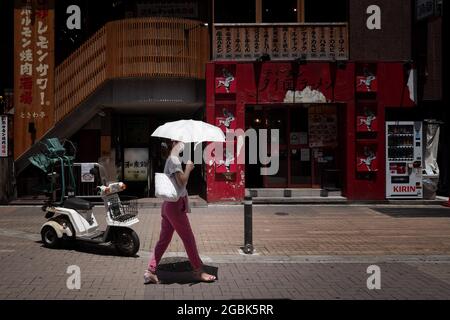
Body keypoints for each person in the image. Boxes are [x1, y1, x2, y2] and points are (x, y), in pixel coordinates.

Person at [144, 140, 216, 284]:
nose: (183, 144)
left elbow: (178, 183)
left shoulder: (171, 159)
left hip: (168, 206)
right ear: (175, 142)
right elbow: (182, 181)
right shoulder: (174, 160)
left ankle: (150, 271)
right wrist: (188, 168)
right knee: (188, 239)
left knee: (164, 240)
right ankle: (198, 271)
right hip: (175, 207)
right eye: (181, 141)